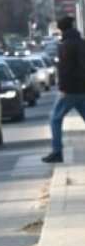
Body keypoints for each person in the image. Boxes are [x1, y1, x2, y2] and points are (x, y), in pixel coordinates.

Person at [43, 15, 85, 164]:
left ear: (62, 29)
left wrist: (63, 88)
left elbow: (65, 70)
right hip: (82, 88)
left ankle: (57, 151)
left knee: (55, 118)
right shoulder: (81, 43)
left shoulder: (65, 45)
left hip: (70, 89)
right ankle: (56, 151)